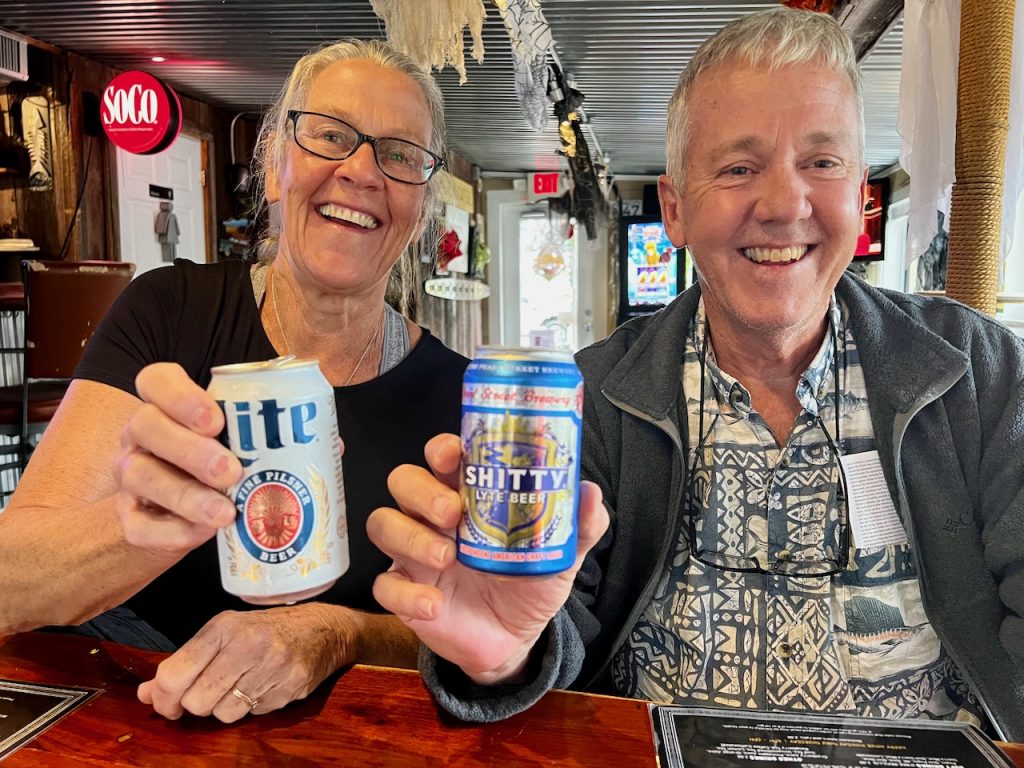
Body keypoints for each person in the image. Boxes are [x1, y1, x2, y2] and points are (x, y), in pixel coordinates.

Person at [366, 7, 1024, 741]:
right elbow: (550, 637)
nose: (783, 205)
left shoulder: (981, 372)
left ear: (860, 195)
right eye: (739, 168)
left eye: (822, 162)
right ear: (674, 211)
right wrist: (506, 661)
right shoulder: (596, 397)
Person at [0, 39, 468, 723]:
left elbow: (464, 633)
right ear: (275, 161)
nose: (362, 171)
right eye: (330, 135)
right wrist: (151, 522)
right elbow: (10, 585)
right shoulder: (170, 313)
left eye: (399, 154)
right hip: (136, 725)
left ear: (421, 207)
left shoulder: (455, 394)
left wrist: (338, 634)